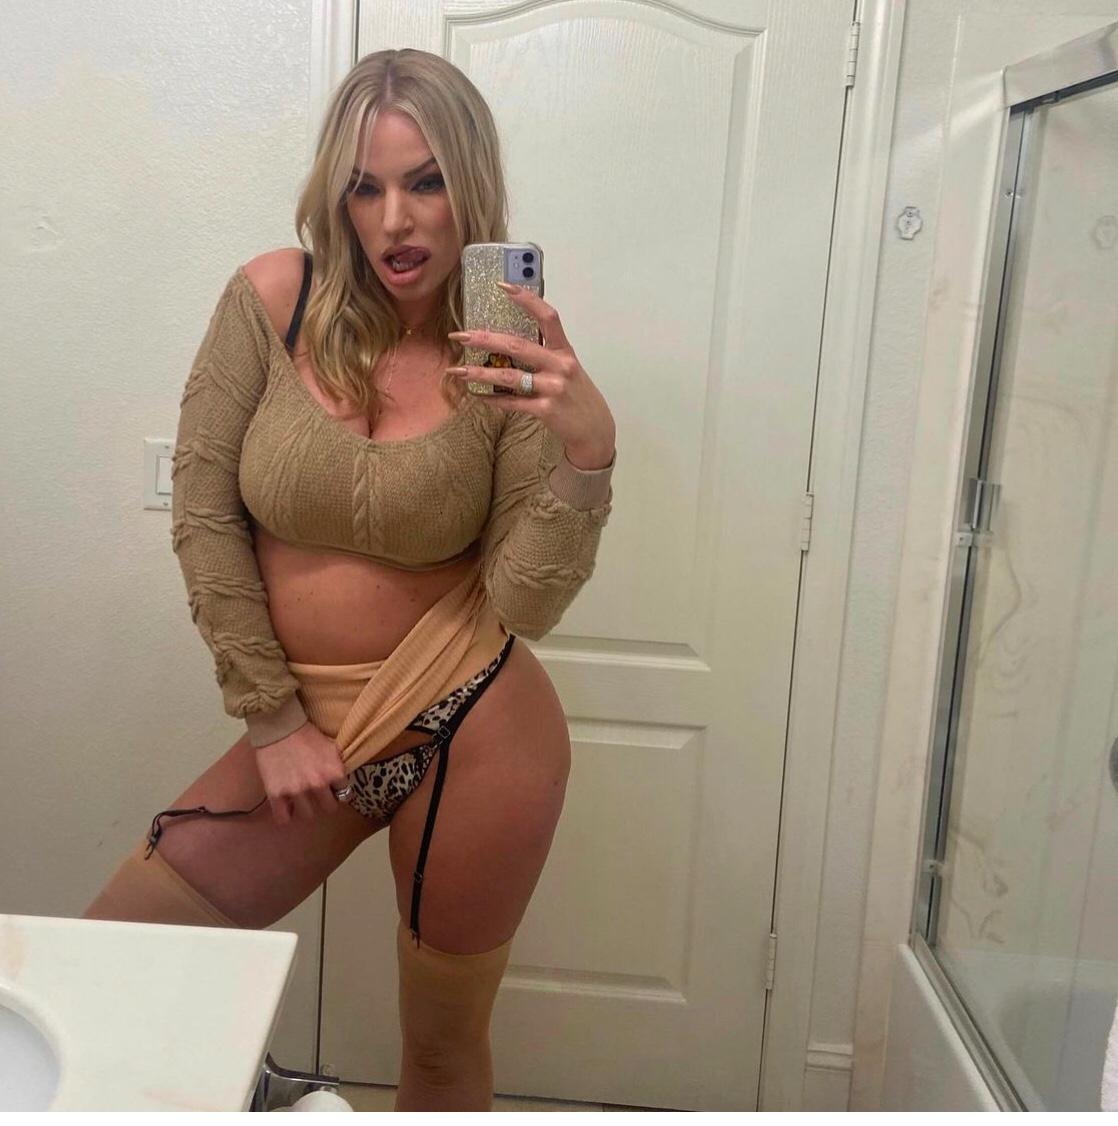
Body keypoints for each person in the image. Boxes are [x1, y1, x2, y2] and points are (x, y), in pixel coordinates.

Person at [81, 47, 617, 1111]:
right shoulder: (272, 301)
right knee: (110, 966)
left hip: (475, 723)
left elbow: (524, 604)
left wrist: (587, 455)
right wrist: (272, 719)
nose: (394, 222)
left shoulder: (503, 348)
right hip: (311, 725)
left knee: (440, 1053)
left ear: (471, 185)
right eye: (365, 188)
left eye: (426, 182)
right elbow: (203, 514)